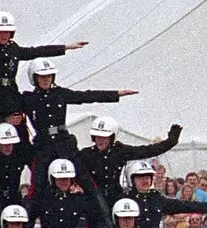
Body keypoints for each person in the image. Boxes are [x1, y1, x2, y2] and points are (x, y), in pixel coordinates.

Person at [20, 57, 138, 191]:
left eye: (49, 76)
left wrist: (115, 94)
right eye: (42, 76)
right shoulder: (28, 99)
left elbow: (85, 96)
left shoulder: (60, 94)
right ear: (34, 78)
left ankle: (101, 210)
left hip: (64, 143)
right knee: (38, 184)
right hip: (43, 146)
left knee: (86, 181)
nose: (46, 79)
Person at [76, 117, 184, 203]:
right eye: (97, 137)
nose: (100, 140)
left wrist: (170, 142)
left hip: (115, 198)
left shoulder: (120, 151)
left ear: (112, 137)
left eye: (104, 137)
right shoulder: (86, 154)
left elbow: (146, 150)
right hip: (92, 199)